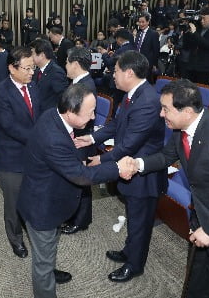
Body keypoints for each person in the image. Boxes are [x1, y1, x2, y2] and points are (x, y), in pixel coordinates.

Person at [129, 78, 209, 298]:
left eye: (165, 109)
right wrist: (137, 164)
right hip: (199, 215)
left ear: (188, 111)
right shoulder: (180, 129)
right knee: (195, 275)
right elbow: (166, 156)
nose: (161, 114)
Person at [17, 83, 135, 298]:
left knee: (50, 246)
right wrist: (117, 168)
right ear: (70, 111)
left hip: (50, 198)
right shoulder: (53, 138)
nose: (92, 118)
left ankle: (49, 269)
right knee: (42, 263)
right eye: (90, 113)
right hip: (41, 208)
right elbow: (82, 176)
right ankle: (46, 280)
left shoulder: (54, 114)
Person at [74, 51, 165, 283]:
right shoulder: (132, 94)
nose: (112, 75)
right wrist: (92, 139)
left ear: (129, 73)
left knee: (141, 220)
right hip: (129, 164)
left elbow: (130, 144)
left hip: (143, 172)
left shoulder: (147, 101)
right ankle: (129, 251)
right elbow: (116, 124)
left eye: (115, 71)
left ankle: (135, 265)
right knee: (133, 216)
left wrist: (100, 160)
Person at [0, 46, 40, 259]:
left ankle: (34, 232)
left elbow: (40, 115)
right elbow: (10, 126)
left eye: (33, 68)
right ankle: (16, 239)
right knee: (13, 202)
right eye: (27, 68)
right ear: (12, 68)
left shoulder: (34, 86)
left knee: (33, 198)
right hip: (9, 159)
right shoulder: (0, 93)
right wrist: (41, 139)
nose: (31, 73)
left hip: (33, 155)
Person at [61, 47, 96, 235]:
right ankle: (73, 215)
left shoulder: (85, 87)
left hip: (81, 140)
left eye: (67, 62)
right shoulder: (78, 83)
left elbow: (82, 120)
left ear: (75, 64)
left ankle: (81, 220)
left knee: (82, 181)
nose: (65, 65)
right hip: (75, 137)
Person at [182, 6, 209, 84]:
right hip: (191, 65)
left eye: (204, 18)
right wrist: (186, 31)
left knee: (202, 92)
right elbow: (186, 45)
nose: (202, 21)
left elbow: (207, 44)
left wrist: (194, 33)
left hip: (204, 68)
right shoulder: (198, 28)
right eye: (200, 18)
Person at [30, 39, 69, 114]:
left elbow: (63, 98)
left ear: (42, 55)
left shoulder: (56, 72)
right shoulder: (37, 71)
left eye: (32, 53)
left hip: (50, 116)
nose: (31, 57)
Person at [135, 13, 160, 77]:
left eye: (143, 22)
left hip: (148, 64)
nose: (141, 24)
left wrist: (155, 65)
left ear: (148, 22)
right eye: (139, 22)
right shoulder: (138, 34)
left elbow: (156, 50)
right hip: (137, 62)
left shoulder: (153, 34)